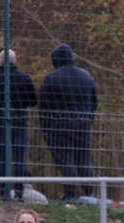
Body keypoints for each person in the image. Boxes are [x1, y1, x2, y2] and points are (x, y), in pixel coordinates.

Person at [39, 44, 98, 202]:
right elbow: (94, 101)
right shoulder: (86, 76)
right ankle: (90, 194)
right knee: (84, 159)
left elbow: (44, 107)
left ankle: (70, 195)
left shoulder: (51, 78)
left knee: (66, 160)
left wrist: (45, 129)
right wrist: (89, 119)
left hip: (60, 123)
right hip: (83, 122)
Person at [0, 49, 38, 199]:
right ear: (15, 61)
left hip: (0, 120)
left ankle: (3, 188)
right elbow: (33, 101)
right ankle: (19, 190)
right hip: (20, 120)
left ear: (0, 61)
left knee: (2, 155)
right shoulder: (24, 78)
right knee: (19, 156)